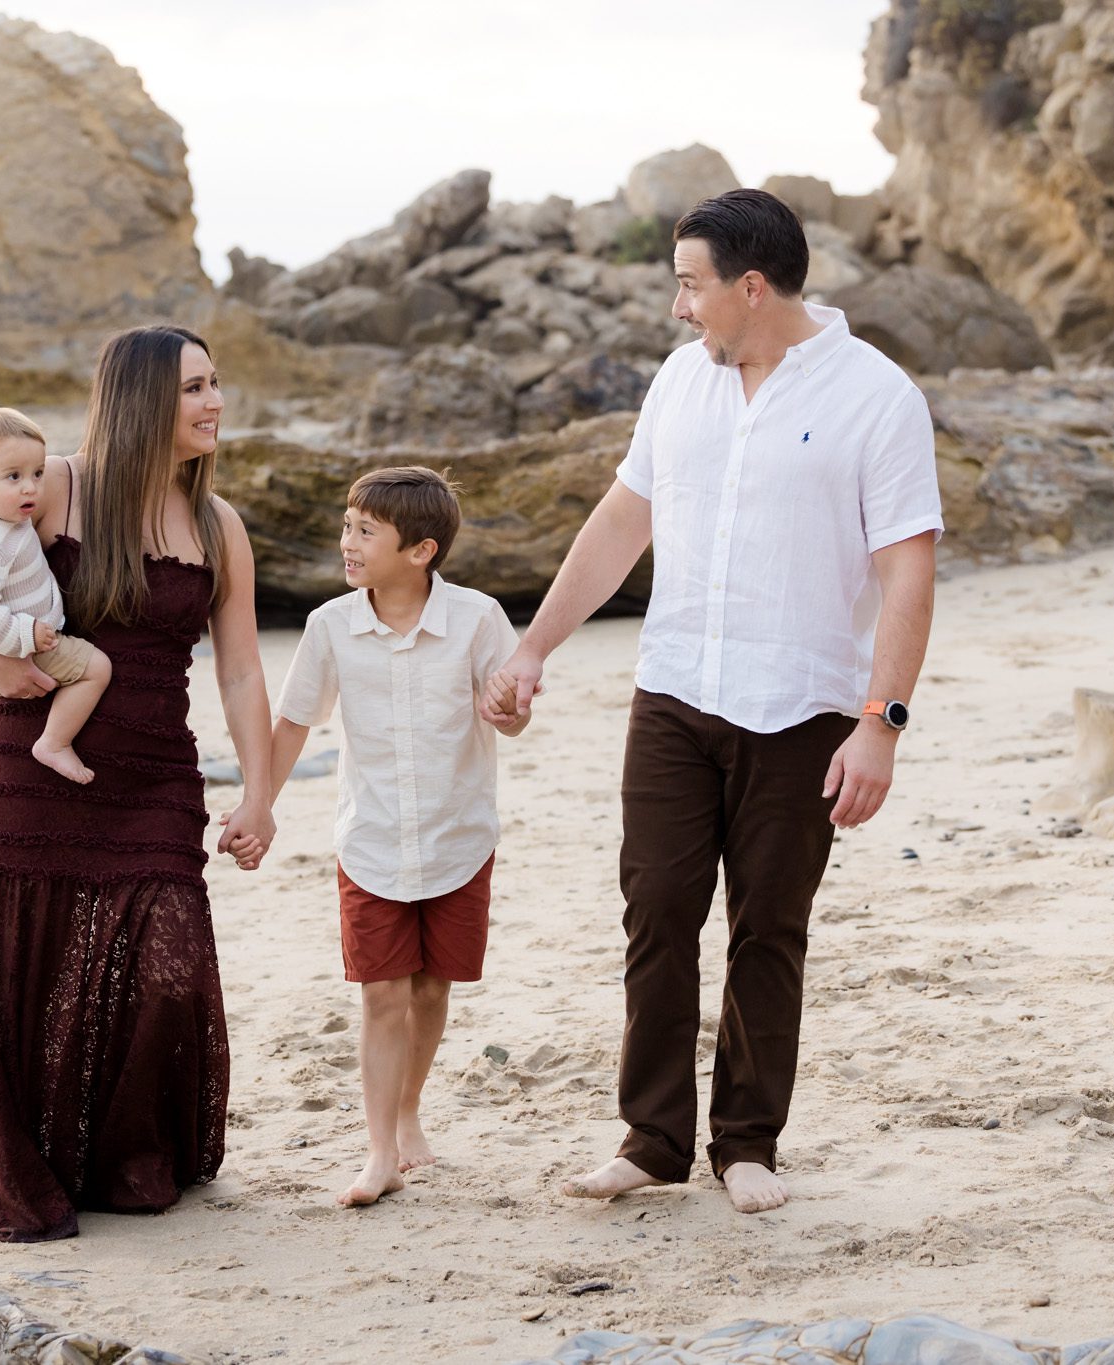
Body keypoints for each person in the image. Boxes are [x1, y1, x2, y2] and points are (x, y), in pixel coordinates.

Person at [481, 188, 942, 1216]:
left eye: (690, 285)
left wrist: (882, 722)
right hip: (674, 692)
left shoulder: (876, 397)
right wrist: (535, 645)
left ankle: (747, 1144)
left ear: (748, 285)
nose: (678, 308)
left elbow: (907, 571)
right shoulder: (678, 385)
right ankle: (650, 1142)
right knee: (654, 915)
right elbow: (620, 520)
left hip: (804, 707)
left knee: (767, 931)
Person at [0, 325, 276, 1241]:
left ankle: (126, 1155)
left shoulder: (216, 523)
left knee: (167, 963)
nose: (213, 402)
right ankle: (40, 1159)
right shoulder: (48, 487)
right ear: (141, 398)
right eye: (194, 386)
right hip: (30, 761)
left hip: (155, 770)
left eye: (215, 382)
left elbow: (239, 672)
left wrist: (262, 792)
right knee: (28, 962)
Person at [265, 467, 528, 1207]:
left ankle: (410, 1105)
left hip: (458, 837)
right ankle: (379, 1149)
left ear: (421, 549)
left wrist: (508, 708)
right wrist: (262, 805)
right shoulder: (330, 626)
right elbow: (292, 722)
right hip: (371, 840)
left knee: (432, 986)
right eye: (347, 526)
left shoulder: (478, 619)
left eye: (365, 531)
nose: (347, 543)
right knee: (383, 994)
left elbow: (511, 714)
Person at [0, 406, 112, 784]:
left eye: (37, 473)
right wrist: (24, 634)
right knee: (96, 669)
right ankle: (55, 743)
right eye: (13, 476)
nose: (30, 488)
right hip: (12, 643)